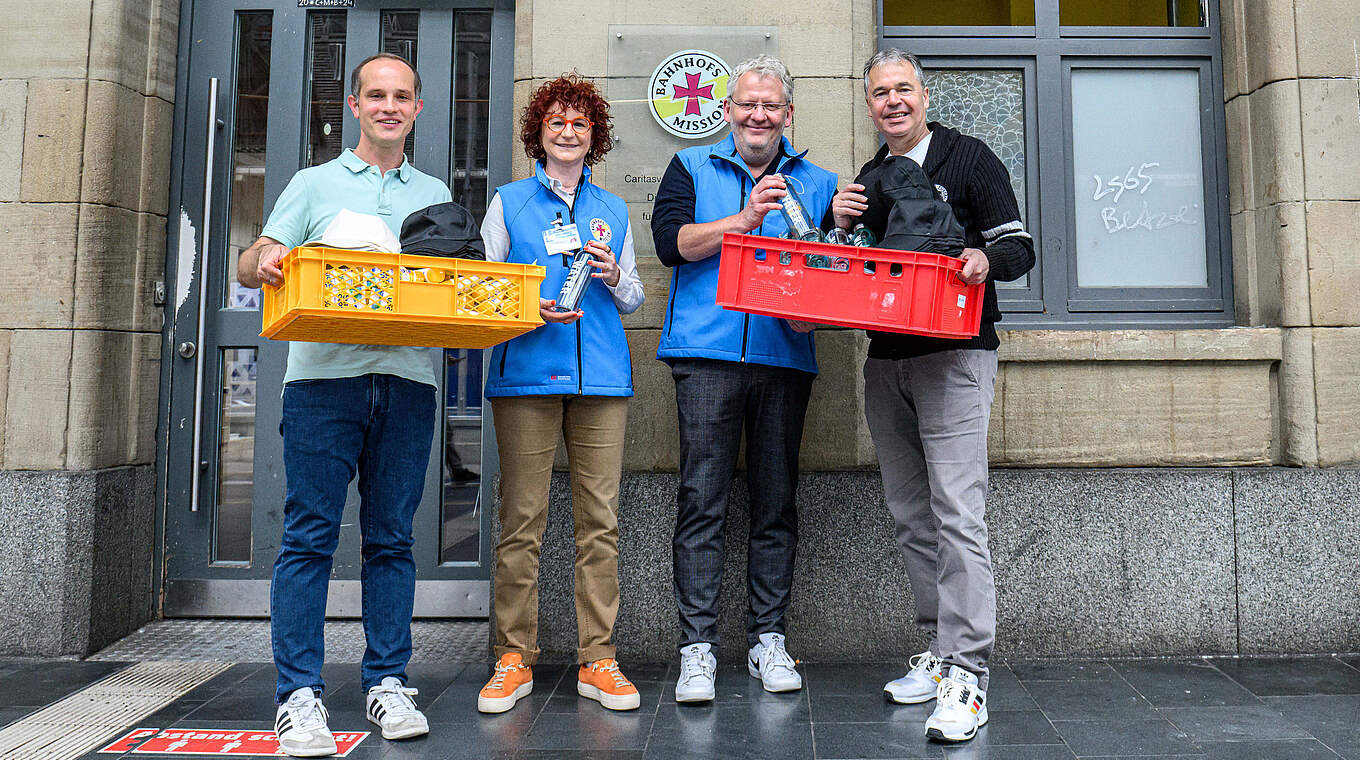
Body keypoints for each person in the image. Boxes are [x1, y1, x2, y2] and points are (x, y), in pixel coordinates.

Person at [236, 53, 448, 757]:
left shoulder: (436, 193)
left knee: (392, 539)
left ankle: (388, 682)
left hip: (410, 383)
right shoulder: (313, 183)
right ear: (354, 106)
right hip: (323, 384)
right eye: (376, 95)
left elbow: (451, 287)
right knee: (309, 538)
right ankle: (299, 697)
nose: (389, 106)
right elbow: (254, 255)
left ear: (418, 109)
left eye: (402, 96)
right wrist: (265, 260)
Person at [827, 48, 1035, 743]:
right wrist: (840, 220)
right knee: (912, 516)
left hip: (956, 359)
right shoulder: (869, 174)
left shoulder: (969, 158)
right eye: (880, 92)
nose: (893, 101)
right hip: (886, 363)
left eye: (904, 89)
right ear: (869, 104)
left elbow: (1019, 244)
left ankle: (968, 674)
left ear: (924, 93)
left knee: (957, 515)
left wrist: (982, 259)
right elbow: (848, 272)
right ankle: (937, 653)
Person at [650, 54, 836, 702]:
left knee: (775, 502)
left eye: (772, 105)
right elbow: (672, 244)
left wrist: (840, 246)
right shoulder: (690, 167)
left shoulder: (820, 181)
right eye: (747, 104)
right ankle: (696, 650)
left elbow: (834, 272)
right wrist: (746, 220)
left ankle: (768, 641)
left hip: (785, 358)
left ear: (788, 114)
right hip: (705, 357)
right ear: (727, 111)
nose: (759, 115)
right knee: (702, 501)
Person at [474, 74, 646, 715]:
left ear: (594, 135)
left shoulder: (612, 209)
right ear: (538, 134)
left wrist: (610, 276)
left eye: (579, 123)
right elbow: (486, 295)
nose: (568, 132)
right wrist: (529, 307)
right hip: (524, 377)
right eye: (556, 122)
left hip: (602, 378)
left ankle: (597, 658)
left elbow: (633, 298)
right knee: (522, 523)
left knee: (599, 524)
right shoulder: (509, 202)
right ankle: (513, 656)